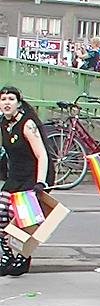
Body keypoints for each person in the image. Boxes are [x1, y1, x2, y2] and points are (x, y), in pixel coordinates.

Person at [0, 86, 54, 277]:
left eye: (11, 99)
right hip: (15, 176)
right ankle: (7, 255)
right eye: (3, 99)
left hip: (32, 177)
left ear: (19, 103)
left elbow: (42, 155)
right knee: (1, 213)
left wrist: (40, 182)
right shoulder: (4, 123)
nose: (7, 103)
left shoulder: (27, 124)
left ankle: (24, 257)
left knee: (25, 220)